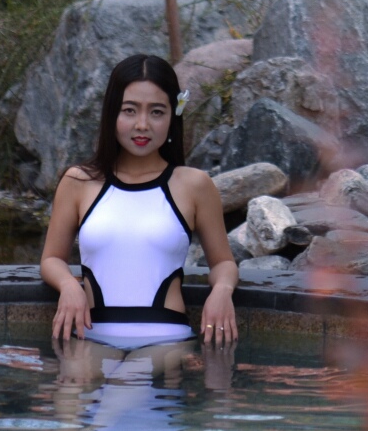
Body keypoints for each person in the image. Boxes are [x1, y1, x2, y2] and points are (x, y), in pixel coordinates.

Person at [41, 53, 239, 350]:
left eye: (157, 112)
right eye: (130, 111)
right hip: (91, 334)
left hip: (165, 337)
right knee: (67, 395)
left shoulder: (194, 185)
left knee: (126, 389)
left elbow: (223, 262)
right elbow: (51, 259)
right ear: (112, 114)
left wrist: (222, 290)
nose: (142, 124)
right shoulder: (79, 181)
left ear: (173, 116)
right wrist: (69, 285)